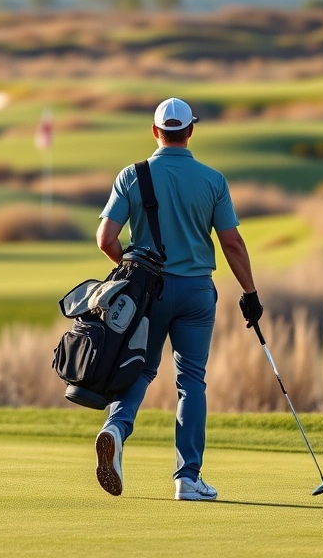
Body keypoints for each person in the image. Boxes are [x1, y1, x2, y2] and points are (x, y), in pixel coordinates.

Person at [92, 98, 263, 500]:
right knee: (191, 382)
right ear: (190, 131)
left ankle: (115, 429)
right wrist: (251, 293)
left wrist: (133, 271)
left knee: (139, 370)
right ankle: (187, 478)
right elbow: (232, 244)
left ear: (155, 132)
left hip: (148, 294)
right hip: (196, 294)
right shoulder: (212, 180)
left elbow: (105, 239)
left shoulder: (131, 176)